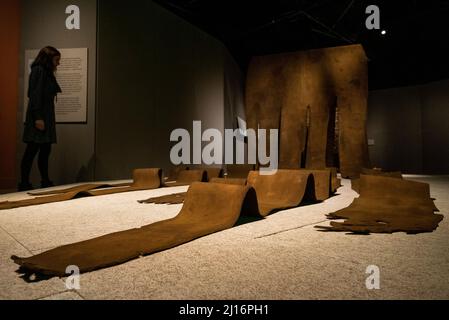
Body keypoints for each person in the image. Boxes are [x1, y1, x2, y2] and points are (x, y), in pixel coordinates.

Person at [18, 46, 62, 191]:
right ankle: (24, 182)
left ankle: (45, 180)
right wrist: (38, 118)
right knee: (32, 150)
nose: (58, 63)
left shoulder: (46, 72)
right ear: (48, 59)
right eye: (56, 60)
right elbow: (34, 94)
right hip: (39, 117)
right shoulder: (39, 70)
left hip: (45, 116)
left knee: (45, 150)